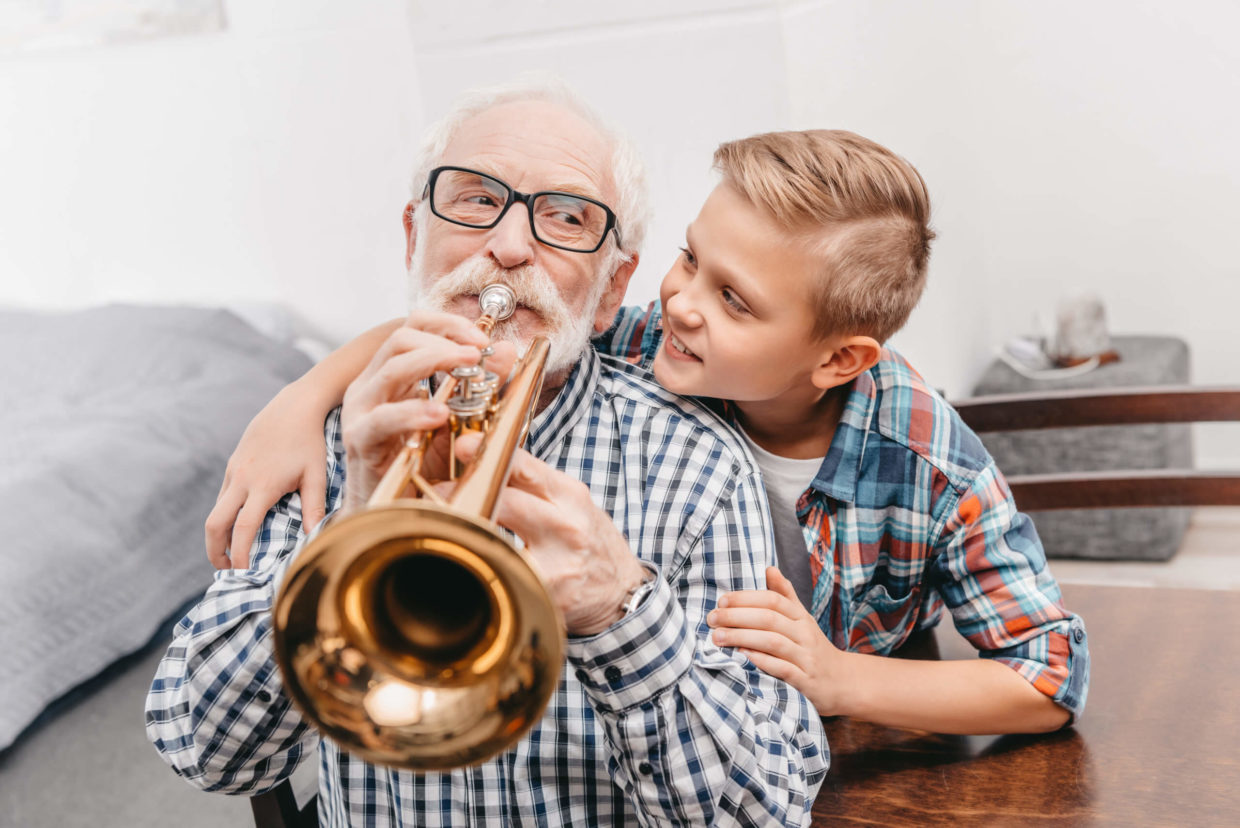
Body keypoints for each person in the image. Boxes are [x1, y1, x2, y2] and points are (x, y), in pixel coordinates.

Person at [209, 127, 1090, 736]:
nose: (681, 300)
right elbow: (485, 322)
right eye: (690, 257)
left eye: (733, 299)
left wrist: (843, 679)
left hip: (853, 748)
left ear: (837, 361)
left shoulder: (929, 460)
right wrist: (304, 394)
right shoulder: (654, 343)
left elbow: (1049, 677)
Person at [145, 77, 829, 827]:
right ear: (416, 238)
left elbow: (765, 811)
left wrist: (620, 612)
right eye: (476, 200)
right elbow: (205, 750)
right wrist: (344, 537)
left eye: (565, 217)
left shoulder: (695, 464)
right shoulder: (333, 444)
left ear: (610, 291)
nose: (508, 248)